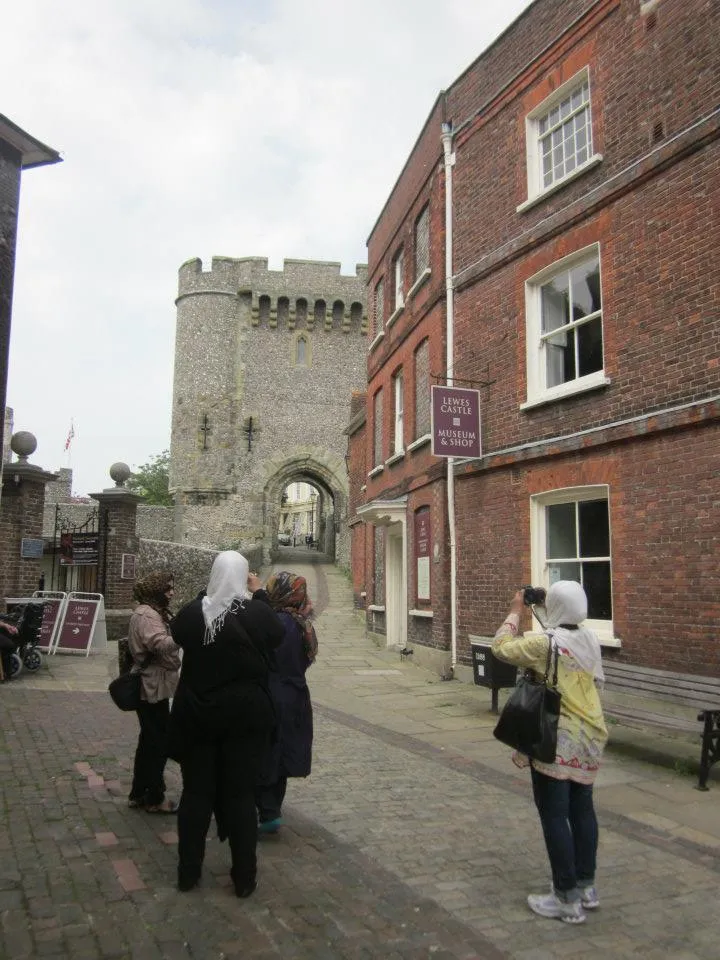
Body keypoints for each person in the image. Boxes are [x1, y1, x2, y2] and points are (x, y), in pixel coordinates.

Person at [168, 551, 284, 896]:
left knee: (196, 795)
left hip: (198, 716)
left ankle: (188, 873)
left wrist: (208, 594)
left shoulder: (193, 614)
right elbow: (275, 634)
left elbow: (179, 631)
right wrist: (259, 592)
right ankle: (244, 877)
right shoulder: (257, 614)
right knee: (240, 798)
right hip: (244, 719)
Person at [492, 580, 607, 925]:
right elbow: (559, 629)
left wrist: (516, 610)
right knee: (582, 811)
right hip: (590, 736)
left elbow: (501, 647)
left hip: (556, 738)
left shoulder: (544, 645)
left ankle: (565, 898)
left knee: (554, 815)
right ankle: (586, 887)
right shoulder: (588, 639)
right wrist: (541, 608)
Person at [256, 571, 317, 833]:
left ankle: (266, 809)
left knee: (267, 750)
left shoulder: (276, 623)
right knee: (283, 753)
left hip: (272, 692)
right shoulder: (303, 624)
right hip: (296, 694)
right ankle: (273, 810)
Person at [127, 571, 181, 813]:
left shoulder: (149, 612)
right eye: (167, 588)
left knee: (149, 740)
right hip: (152, 685)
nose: (171, 592)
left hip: (152, 683)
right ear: (155, 591)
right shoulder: (148, 615)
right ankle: (154, 797)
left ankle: (139, 792)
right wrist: (182, 633)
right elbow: (160, 644)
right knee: (158, 742)